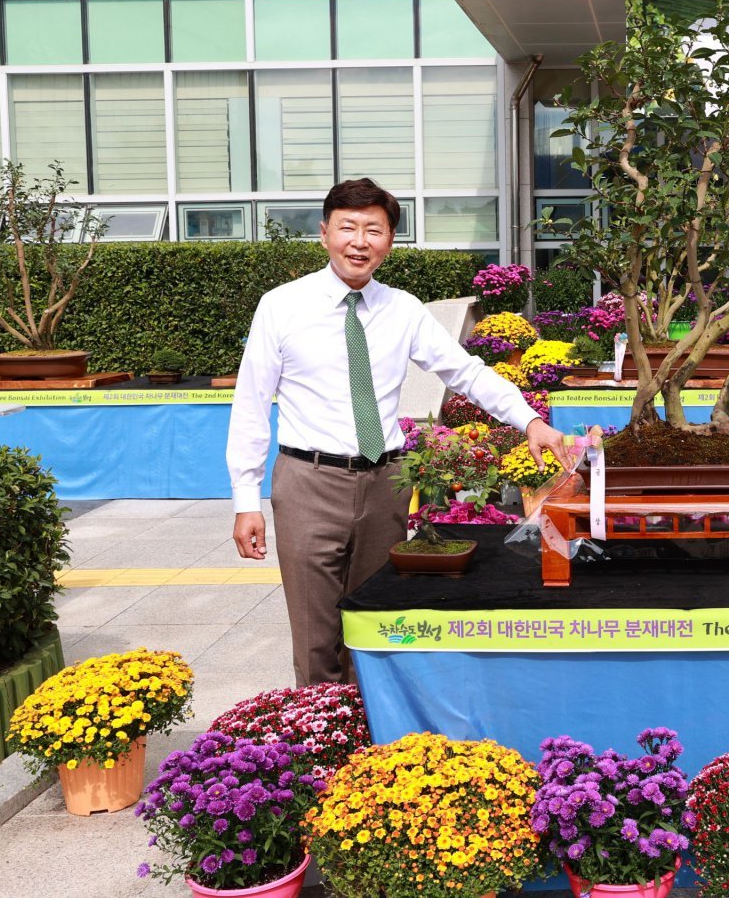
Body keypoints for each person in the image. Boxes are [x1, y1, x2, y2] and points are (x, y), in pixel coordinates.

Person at [228, 178, 571, 686]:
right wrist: (245, 499)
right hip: (308, 483)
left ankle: (373, 739)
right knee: (315, 634)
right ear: (325, 234)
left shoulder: (404, 309)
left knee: (373, 624)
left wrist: (530, 419)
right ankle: (322, 743)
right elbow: (251, 403)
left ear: (389, 241)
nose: (359, 241)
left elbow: (466, 371)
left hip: (385, 483)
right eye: (348, 227)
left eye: (375, 229)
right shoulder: (281, 306)